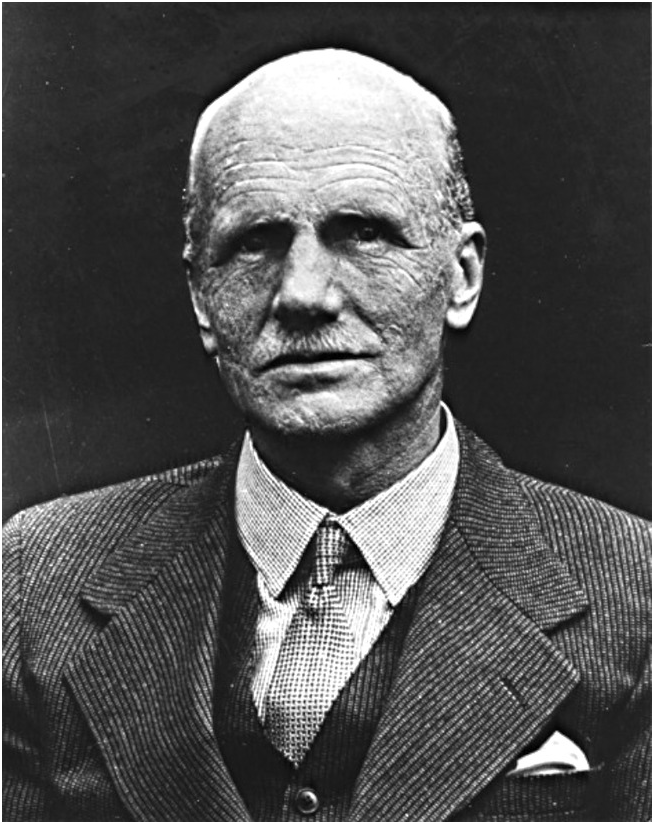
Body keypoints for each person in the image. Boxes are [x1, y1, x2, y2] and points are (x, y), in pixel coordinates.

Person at [3, 49, 650, 823]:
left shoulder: (638, 598)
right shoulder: (35, 583)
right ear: (201, 297)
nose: (303, 294)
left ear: (462, 277)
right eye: (255, 242)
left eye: (363, 232)